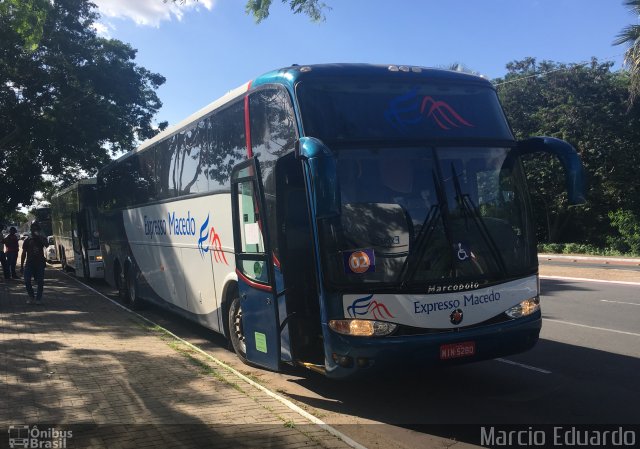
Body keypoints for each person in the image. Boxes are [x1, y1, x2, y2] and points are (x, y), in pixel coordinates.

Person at [20, 221, 49, 305]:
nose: (34, 230)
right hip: (29, 263)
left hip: (39, 263)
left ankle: (38, 298)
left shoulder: (41, 238)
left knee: (40, 281)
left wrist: (40, 237)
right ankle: (31, 296)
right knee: (27, 280)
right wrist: (21, 266)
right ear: (31, 230)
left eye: (36, 229)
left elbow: (47, 245)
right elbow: (23, 253)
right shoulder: (27, 240)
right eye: (33, 229)